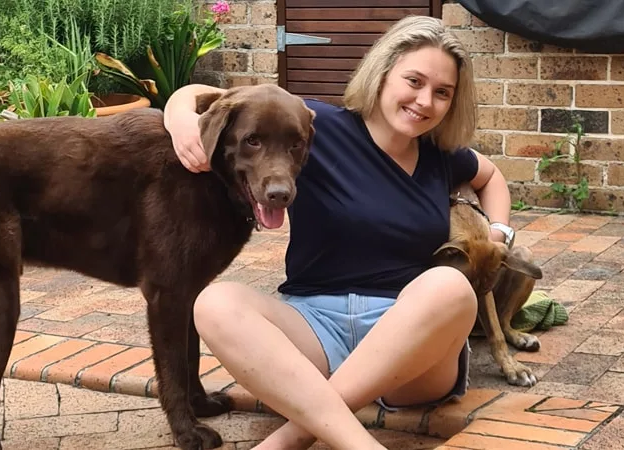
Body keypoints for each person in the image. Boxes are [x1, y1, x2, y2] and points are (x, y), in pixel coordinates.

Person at [163, 15, 514, 450]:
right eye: (414, 81)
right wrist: (179, 119)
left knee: (450, 287)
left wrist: (498, 233)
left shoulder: (442, 155)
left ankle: (292, 436)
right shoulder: (315, 127)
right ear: (383, 73)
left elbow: (492, 177)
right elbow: (201, 96)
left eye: (442, 92)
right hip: (314, 327)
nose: (425, 101)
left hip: (408, 340)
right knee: (215, 303)